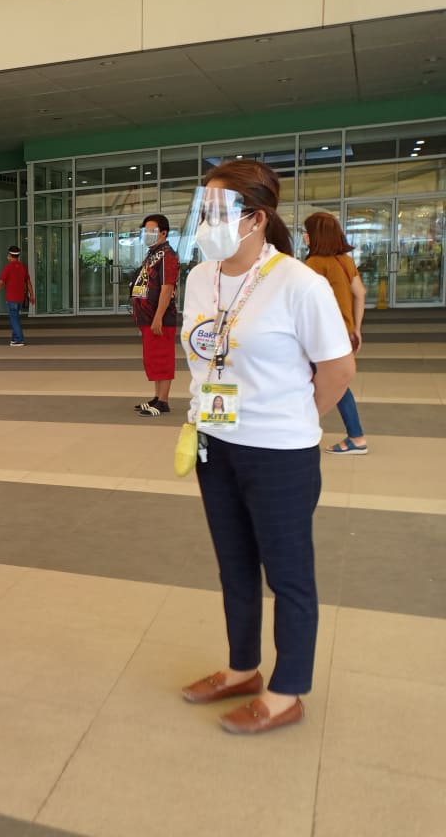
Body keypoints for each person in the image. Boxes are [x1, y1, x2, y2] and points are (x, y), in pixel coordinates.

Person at [179, 161, 354, 734]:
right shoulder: (201, 277)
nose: (205, 221)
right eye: (201, 209)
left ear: (256, 218)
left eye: (217, 211)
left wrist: (294, 416)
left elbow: (336, 368)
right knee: (234, 567)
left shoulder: (298, 283)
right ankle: (241, 669)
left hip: (279, 452)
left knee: (288, 575)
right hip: (216, 442)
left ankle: (287, 691)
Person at [303, 211, 369, 455]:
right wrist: (356, 328)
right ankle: (355, 436)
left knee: (321, 383)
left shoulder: (314, 264)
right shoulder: (345, 260)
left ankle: (355, 436)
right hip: (345, 334)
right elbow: (360, 293)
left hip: (322, 337)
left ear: (316, 235)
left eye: (306, 232)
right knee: (337, 384)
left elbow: (307, 304)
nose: (304, 236)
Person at [131, 214, 180, 417]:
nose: (146, 235)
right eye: (145, 231)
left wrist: (158, 316)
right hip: (147, 317)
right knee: (153, 358)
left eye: (151, 231)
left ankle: (163, 401)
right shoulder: (153, 253)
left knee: (162, 357)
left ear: (163, 233)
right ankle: (157, 397)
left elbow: (167, 287)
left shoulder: (167, 255)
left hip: (159, 318)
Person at [0, 245, 35, 346]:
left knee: (14, 319)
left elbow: (0, 283)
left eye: (7, 255)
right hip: (20, 298)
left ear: (9, 255)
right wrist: (32, 295)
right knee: (16, 317)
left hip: (11, 298)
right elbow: (28, 282)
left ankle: (19, 339)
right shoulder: (23, 267)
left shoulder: (8, 268)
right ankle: (14, 339)